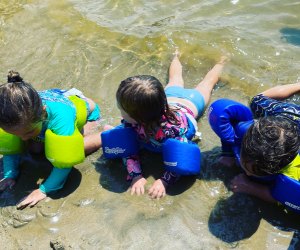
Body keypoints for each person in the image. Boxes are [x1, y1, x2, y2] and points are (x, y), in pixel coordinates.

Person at [116, 50, 227, 199]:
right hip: (170, 99)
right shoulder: (134, 121)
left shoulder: (171, 131)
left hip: (191, 104)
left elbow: (181, 156)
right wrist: (136, 175)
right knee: (174, 78)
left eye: (121, 109)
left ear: (136, 117)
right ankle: (176, 55)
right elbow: (127, 149)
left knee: (207, 83)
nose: (120, 112)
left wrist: (164, 181)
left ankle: (222, 61)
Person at [0, 71, 102, 208]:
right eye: (16, 134)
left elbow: (65, 161)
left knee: (76, 148)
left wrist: (44, 189)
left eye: (28, 132)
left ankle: (105, 134)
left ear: (43, 112)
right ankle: (34, 133)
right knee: (35, 149)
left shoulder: (61, 117)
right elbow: (10, 150)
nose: (23, 138)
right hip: (44, 110)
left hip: (85, 113)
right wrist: (9, 174)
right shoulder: (16, 116)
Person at [230, 83, 300, 202]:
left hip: (293, 117)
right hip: (285, 114)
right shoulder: (248, 131)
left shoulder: (294, 169)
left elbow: (287, 199)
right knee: (256, 100)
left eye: (256, 172)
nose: (248, 174)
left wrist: (251, 187)